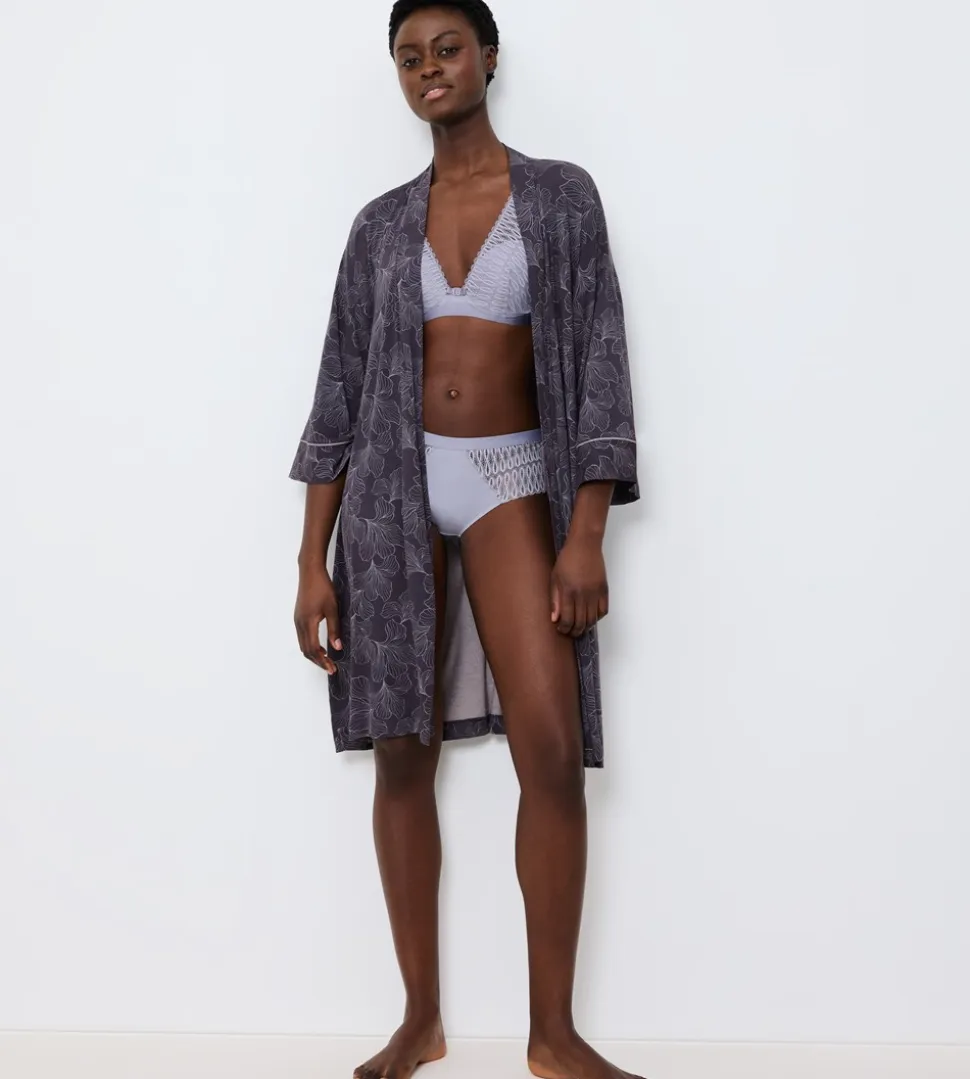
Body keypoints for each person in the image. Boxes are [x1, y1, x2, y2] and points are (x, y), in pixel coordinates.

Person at [290, 2, 642, 1077]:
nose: (428, 69)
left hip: (509, 482)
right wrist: (310, 560)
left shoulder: (559, 197)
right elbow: (338, 392)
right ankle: (419, 1020)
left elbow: (599, 360)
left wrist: (585, 532)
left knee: (551, 752)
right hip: (393, 497)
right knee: (403, 754)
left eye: (446, 50)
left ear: (488, 58)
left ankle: (553, 1034)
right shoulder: (378, 226)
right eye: (409, 58)